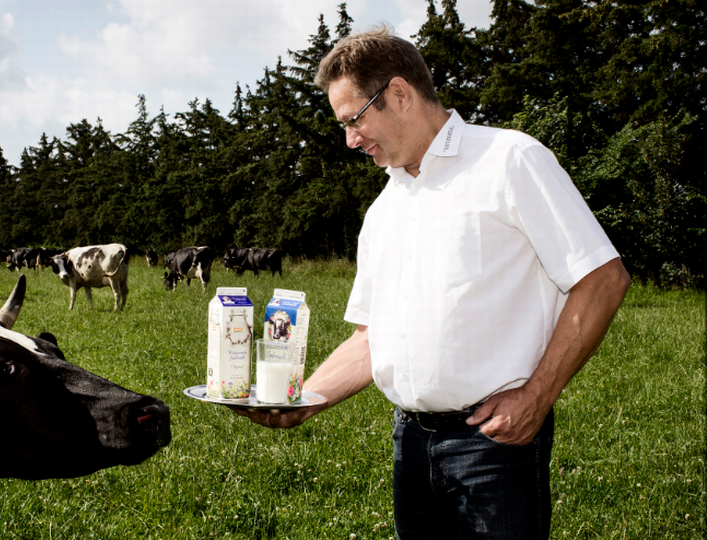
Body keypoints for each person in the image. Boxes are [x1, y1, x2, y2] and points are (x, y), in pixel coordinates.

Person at [232, 24, 631, 539]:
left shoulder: (510, 160)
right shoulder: (384, 209)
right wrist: (301, 399)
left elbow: (602, 277)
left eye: (354, 119)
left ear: (399, 94)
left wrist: (537, 395)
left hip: (494, 444)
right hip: (410, 445)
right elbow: (373, 338)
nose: (351, 140)